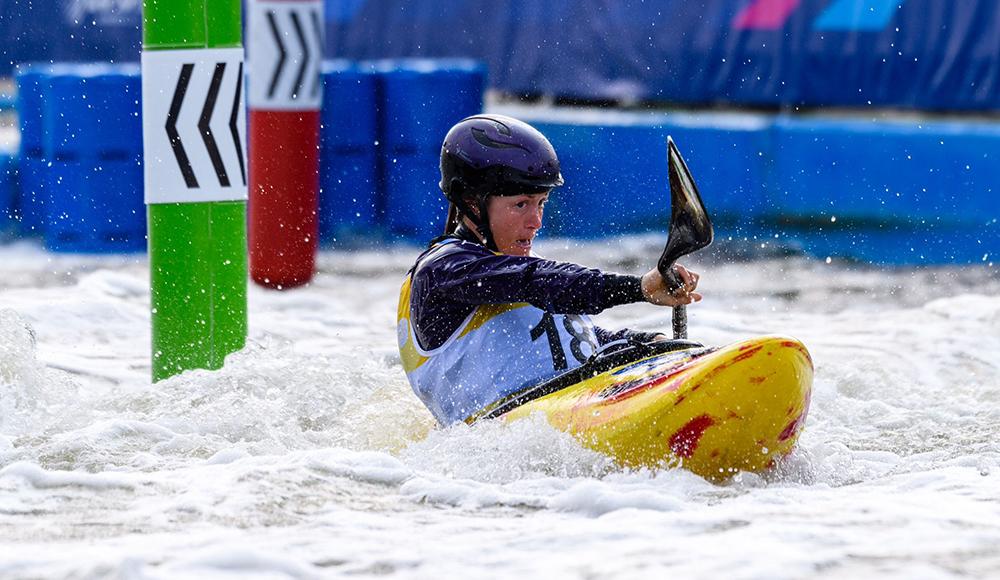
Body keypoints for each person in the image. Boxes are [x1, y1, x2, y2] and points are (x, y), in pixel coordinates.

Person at [397, 114, 700, 426]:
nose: (536, 222)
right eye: (521, 205)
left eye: (541, 203)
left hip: (565, 410)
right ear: (474, 204)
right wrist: (638, 288)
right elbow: (536, 281)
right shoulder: (443, 270)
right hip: (497, 446)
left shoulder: (518, 269)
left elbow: (572, 340)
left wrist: (647, 343)